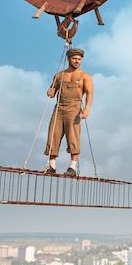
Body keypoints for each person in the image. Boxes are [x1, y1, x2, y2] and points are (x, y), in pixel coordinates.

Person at [44, 48, 93, 176]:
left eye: (79, 59)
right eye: (74, 59)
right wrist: (50, 92)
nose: (77, 61)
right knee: (53, 135)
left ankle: (72, 167)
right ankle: (51, 166)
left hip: (74, 108)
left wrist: (87, 108)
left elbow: (89, 93)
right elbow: (52, 90)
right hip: (59, 107)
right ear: (69, 59)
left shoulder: (85, 76)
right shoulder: (59, 75)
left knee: (73, 136)